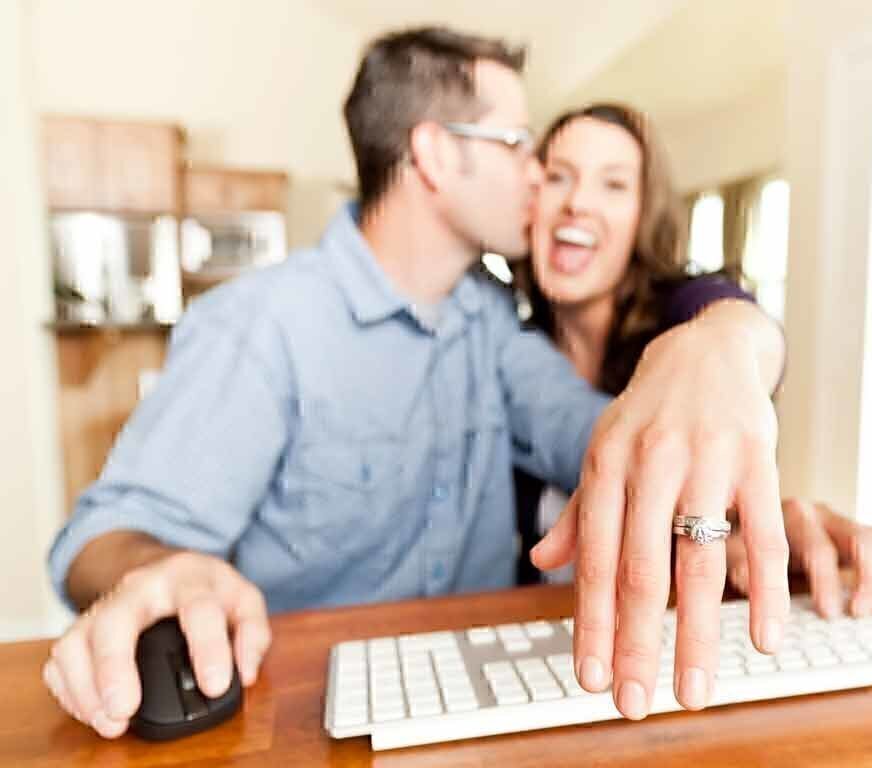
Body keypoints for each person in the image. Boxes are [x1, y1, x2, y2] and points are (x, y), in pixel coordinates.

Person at [42, 29, 787, 738]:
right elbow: (100, 538)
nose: (541, 176)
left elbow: (590, 434)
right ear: (434, 154)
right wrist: (165, 570)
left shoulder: (489, 320)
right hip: (307, 716)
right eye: (518, 144)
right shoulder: (262, 325)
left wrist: (731, 479)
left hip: (483, 704)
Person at [520, 104, 872, 655]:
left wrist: (719, 342)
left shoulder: (685, 306)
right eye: (559, 176)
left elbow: (739, 324)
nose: (578, 202)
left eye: (613, 184)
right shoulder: (505, 349)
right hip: (530, 637)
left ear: (642, 216)